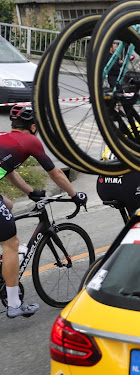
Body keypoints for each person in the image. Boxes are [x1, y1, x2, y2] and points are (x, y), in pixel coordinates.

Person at [0, 105, 88, 319]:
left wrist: (30, 192)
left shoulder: (4, 137)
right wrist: (75, 195)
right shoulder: (31, 141)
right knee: (10, 244)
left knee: (8, 206)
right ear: (33, 127)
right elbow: (56, 173)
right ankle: (14, 304)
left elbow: (9, 173)